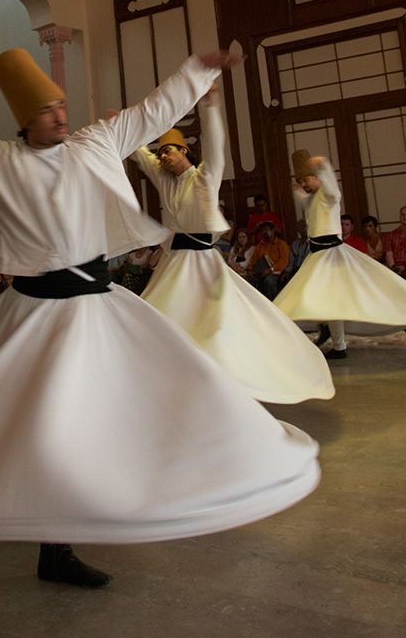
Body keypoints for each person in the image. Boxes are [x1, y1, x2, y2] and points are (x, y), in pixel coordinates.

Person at [0, 48, 320, 590]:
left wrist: (200, 67)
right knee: (42, 422)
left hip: (96, 303)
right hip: (33, 312)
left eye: (61, 104)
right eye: (48, 109)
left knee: (156, 390)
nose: (61, 115)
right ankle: (53, 544)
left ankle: (158, 481)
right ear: (24, 119)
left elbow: (155, 110)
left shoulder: (94, 142)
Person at [136, 88, 333, 405]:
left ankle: (221, 378)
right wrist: (125, 126)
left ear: (184, 151)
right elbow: (141, 156)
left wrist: (210, 106)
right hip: (175, 262)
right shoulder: (165, 181)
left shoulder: (204, 177)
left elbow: (216, 145)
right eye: (160, 154)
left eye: (169, 151)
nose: (163, 157)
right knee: (164, 317)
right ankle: (173, 381)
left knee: (217, 320)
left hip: (202, 259)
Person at [274, 152, 406, 360]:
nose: (303, 185)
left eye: (306, 180)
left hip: (331, 255)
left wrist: (323, 166)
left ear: (316, 178)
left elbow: (333, 189)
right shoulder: (313, 199)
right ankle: (336, 341)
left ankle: (335, 336)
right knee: (328, 300)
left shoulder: (328, 195)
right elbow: (307, 204)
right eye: (300, 181)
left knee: (333, 299)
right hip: (316, 256)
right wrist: (299, 190)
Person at [248, 222, 290, 300]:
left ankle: (274, 305)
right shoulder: (259, 246)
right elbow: (253, 260)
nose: (264, 232)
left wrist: (271, 269)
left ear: (273, 230)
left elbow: (284, 260)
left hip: (277, 273)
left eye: (266, 230)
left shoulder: (281, 244)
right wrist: (250, 270)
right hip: (261, 273)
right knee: (247, 281)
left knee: (269, 281)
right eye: (262, 231)